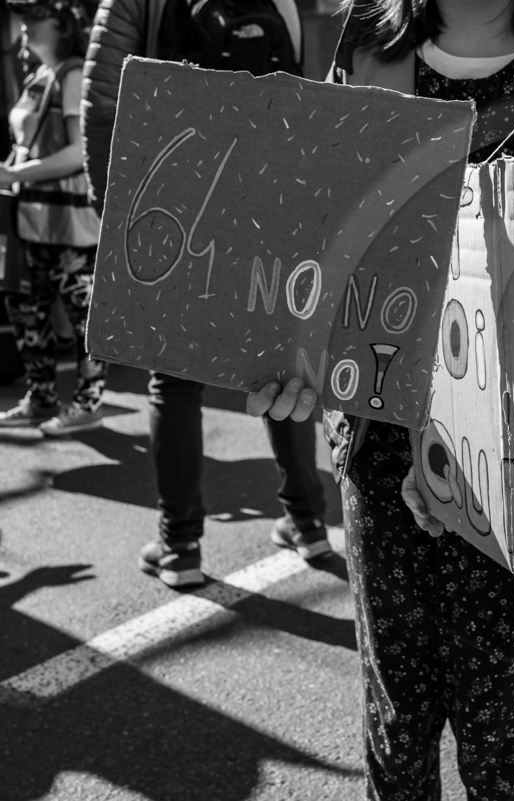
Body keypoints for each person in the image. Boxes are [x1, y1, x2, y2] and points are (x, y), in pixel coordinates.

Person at [248, 0, 514, 795]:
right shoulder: (369, 41)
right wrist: (297, 357)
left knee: (501, 718)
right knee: (396, 711)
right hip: (379, 439)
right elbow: (327, 226)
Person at [80, 0, 326, 588]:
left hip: (175, 197)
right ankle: (308, 522)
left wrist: (110, 210)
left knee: (172, 377)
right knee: (276, 370)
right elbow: (306, 98)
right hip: (264, 200)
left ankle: (180, 545)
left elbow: (103, 102)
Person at [0, 0, 107, 437]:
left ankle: (88, 402)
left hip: (69, 224)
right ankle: (41, 396)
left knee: (83, 318)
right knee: (27, 309)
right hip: (31, 219)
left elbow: (78, 153)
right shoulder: (41, 74)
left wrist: (15, 173)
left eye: (34, 16)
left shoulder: (73, 74)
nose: (24, 24)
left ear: (61, 24)